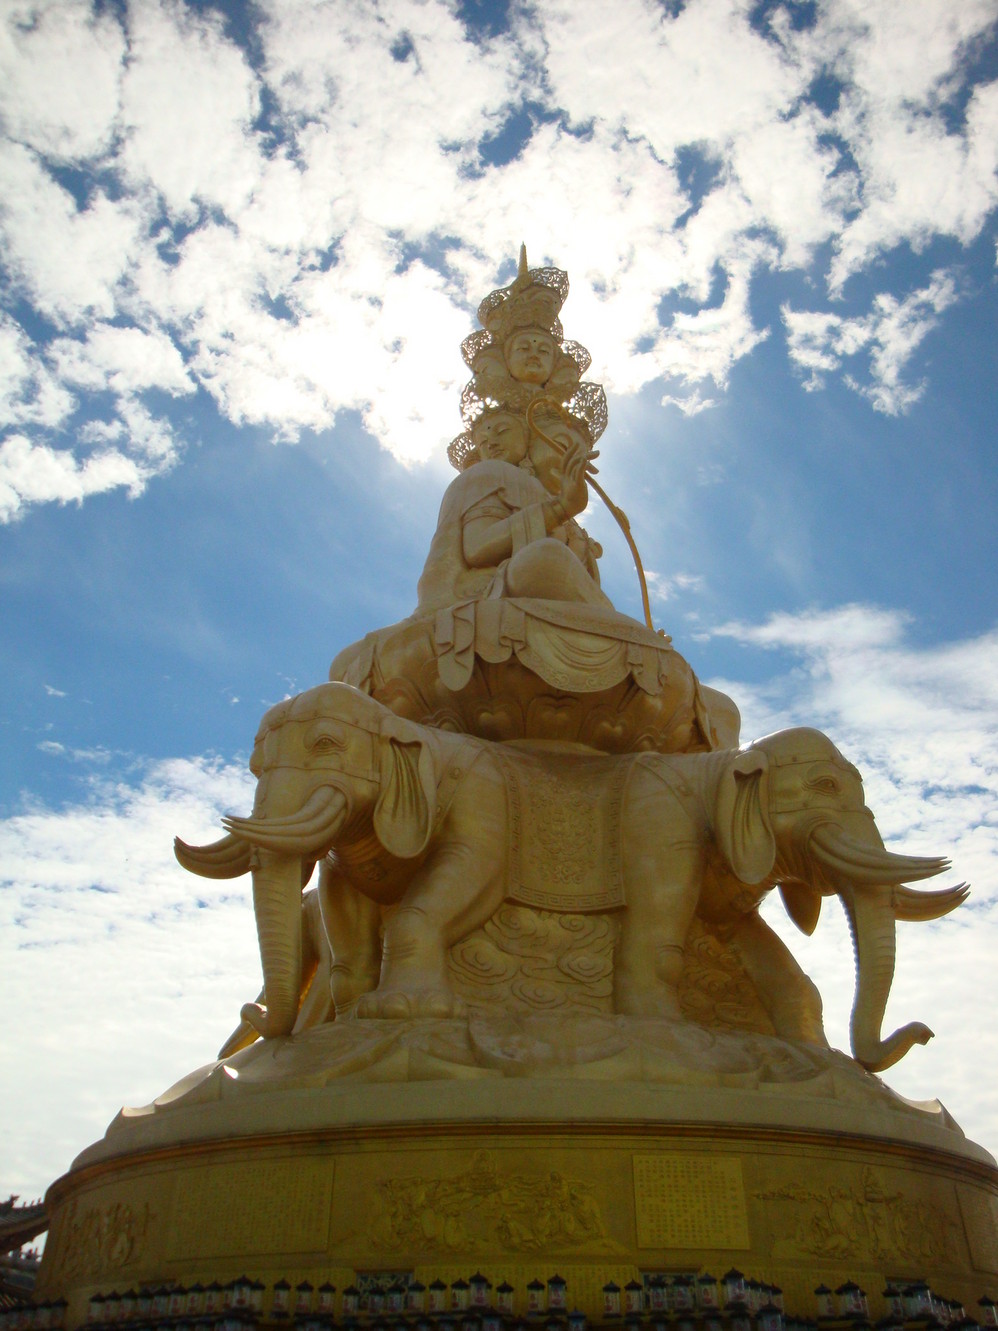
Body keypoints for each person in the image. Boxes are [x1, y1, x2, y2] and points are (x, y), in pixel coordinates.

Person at [415, 406, 609, 615]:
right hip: (487, 587)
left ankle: (612, 625)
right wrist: (561, 509)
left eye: (579, 456)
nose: (492, 444)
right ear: (531, 441)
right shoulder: (490, 473)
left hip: (554, 601)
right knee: (546, 556)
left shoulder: (563, 514)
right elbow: (477, 548)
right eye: (561, 445)